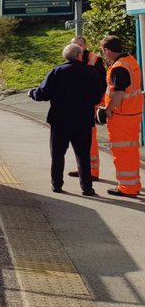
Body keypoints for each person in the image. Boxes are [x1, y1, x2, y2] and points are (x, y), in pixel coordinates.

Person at [28, 43, 104, 195]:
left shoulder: (57, 72)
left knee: (57, 154)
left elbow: (43, 94)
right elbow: (98, 95)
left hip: (60, 120)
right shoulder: (90, 73)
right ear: (79, 56)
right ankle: (87, 187)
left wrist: (32, 93)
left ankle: (57, 185)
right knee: (83, 156)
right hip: (83, 120)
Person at [98, 35, 143, 197]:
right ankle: (133, 185)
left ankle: (127, 187)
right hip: (132, 113)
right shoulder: (131, 61)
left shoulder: (119, 68)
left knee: (122, 151)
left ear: (107, 51)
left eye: (103, 51)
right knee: (130, 150)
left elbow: (118, 94)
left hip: (122, 116)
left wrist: (107, 110)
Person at [68, 35, 107, 180]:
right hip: (78, 105)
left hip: (90, 105)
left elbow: (101, 85)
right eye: (74, 45)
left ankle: (92, 172)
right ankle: (83, 168)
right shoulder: (72, 59)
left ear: (85, 45)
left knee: (89, 139)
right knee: (79, 139)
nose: (78, 48)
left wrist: (96, 104)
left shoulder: (94, 60)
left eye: (80, 45)